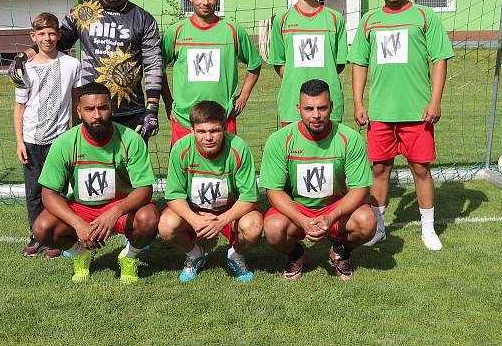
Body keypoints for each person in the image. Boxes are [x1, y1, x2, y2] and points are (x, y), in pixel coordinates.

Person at [348, 0, 454, 250]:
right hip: (381, 112)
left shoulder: (424, 16)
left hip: (417, 112)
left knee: (421, 169)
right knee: (379, 170)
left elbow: (439, 59)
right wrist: (358, 102)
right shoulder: (369, 20)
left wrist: (435, 100)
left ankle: (428, 229)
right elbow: (358, 63)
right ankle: (379, 229)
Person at [9, 0, 163, 140]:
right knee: (93, 167)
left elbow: (153, 64)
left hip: (130, 112)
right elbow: (56, 41)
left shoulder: (144, 19)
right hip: (92, 112)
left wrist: (152, 109)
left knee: (130, 167)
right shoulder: (81, 13)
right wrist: (23, 56)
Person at [32, 82, 159, 283]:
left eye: (103, 108)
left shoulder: (131, 140)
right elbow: (49, 194)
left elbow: (145, 189)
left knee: (149, 218)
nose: (97, 115)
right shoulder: (65, 143)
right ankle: (80, 253)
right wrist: (78, 224)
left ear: (112, 108)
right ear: (79, 111)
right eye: (90, 109)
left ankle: (129, 257)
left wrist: (115, 212)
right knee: (42, 228)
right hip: (82, 209)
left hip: (120, 208)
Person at [260, 79, 375, 281]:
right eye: (309, 108)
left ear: (331, 107)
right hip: (297, 208)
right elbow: (274, 191)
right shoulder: (279, 140)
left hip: (334, 208)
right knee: (272, 229)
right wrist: (302, 220)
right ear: (298, 109)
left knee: (367, 222)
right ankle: (295, 254)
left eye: (322, 108)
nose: (316, 115)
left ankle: (341, 251)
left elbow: (360, 189)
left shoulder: (350, 138)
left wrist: (330, 218)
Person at [158, 100, 262, 282]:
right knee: (166, 226)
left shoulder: (239, 148)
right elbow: (174, 195)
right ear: (192, 130)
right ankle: (194, 255)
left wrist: (221, 221)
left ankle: (236, 256)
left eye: (214, 130)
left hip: (230, 210)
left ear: (225, 127)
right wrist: (194, 219)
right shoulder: (181, 149)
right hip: (194, 210)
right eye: (201, 131)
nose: (208, 137)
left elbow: (249, 196)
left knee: (254, 226)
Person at [161, 0, 261, 146]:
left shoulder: (232, 30)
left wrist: (243, 96)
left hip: (222, 119)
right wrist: (168, 101)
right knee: (183, 170)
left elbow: (255, 64)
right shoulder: (176, 32)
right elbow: (157, 68)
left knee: (223, 170)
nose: (205, 2)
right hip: (184, 120)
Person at [13, 12, 82, 258]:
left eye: (52, 33)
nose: (47, 38)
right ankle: (36, 234)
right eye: (41, 34)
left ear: (60, 35)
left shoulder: (72, 64)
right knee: (33, 192)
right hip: (32, 140)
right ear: (33, 36)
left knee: (56, 192)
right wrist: (20, 141)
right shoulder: (25, 69)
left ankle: (54, 237)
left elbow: (76, 103)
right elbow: (19, 108)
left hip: (60, 140)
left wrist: (76, 134)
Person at [268, 0, 348, 126]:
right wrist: (297, 76)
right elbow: (279, 63)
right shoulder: (282, 20)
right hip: (293, 103)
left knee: (330, 152)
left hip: (327, 102)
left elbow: (338, 65)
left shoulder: (335, 18)